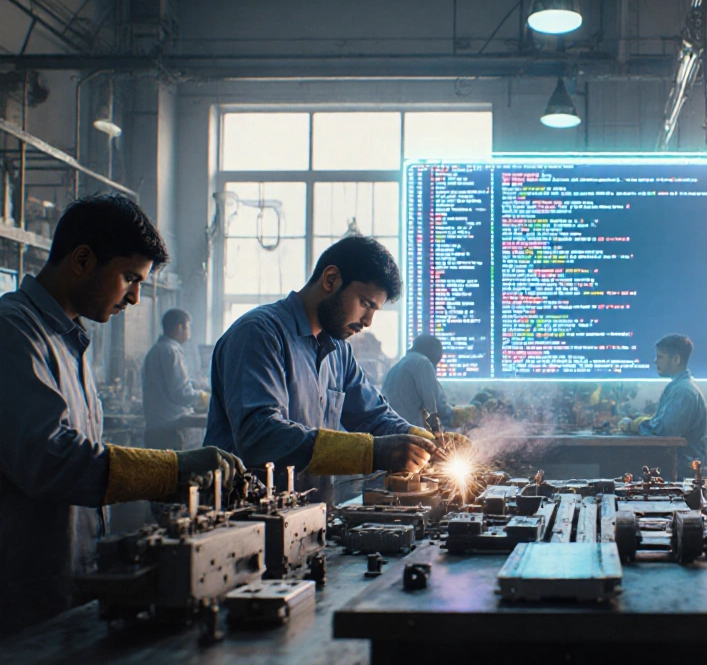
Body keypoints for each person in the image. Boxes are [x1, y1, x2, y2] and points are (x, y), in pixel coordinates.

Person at [0, 194, 244, 638]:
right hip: (21, 598)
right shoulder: (13, 331)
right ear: (81, 259)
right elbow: (52, 459)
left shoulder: (70, 339)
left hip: (66, 584)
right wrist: (173, 471)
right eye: (129, 278)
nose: (134, 298)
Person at [204, 236, 443, 504]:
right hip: (246, 518)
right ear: (331, 279)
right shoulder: (259, 334)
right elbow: (260, 437)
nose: (368, 321)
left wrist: (424, 441)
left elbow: (373, 416)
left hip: (313, 516)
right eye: (365, 303)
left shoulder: (339, 351)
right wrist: (372, 453)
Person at [622, 334, 707, 479]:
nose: (655, 361)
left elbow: (665, 431)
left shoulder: (683, 391)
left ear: (676, 359)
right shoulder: (678, 387)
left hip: (682, 472)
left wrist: (636, 426)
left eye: (660, 357)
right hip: (677, 467)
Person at [382, 334, 477, 431]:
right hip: (411, 436)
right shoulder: (423, 363)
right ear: (435, 356)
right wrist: (468, 413)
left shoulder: (396, 367)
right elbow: (437, 409)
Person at [143, 308, 207, 450]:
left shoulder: (158, 349)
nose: (189, 332)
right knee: (176, 470)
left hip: (157, 427)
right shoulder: (171, 350)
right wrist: (204, 398)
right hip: (170, 429)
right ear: (180, 327)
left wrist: (196, 385)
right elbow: (182, 393)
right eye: (188, 327)